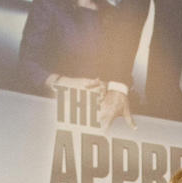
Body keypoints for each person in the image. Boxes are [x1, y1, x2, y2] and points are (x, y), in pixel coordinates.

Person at [17, 0, 136, 129]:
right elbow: (27, 65)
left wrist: (106, 86)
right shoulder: (46, 5)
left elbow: (119, 74)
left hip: (96, 115)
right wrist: (63, 83)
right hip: (48, 111)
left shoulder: (114, 15)